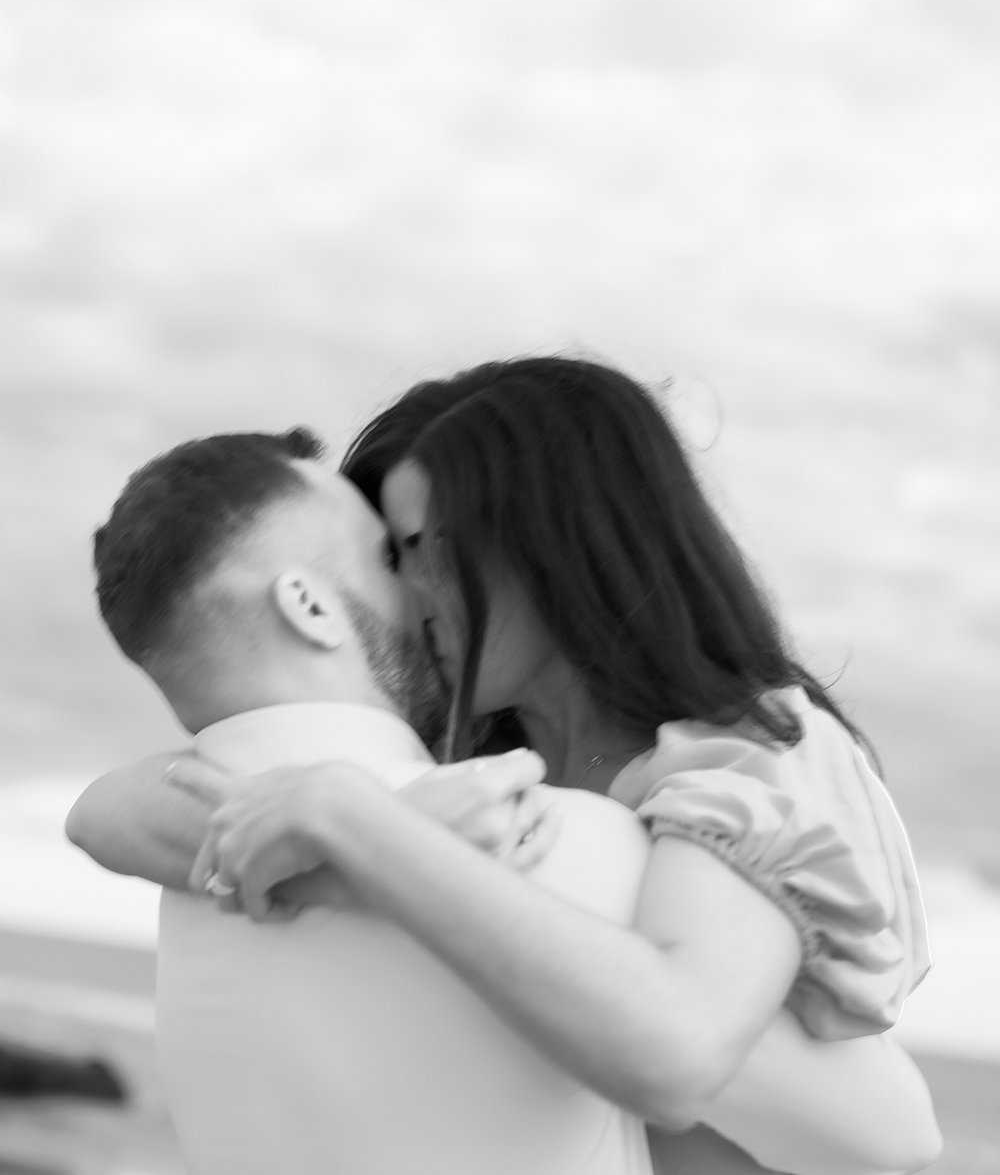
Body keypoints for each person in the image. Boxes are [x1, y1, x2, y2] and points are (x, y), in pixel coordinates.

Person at [68, 385, 942, 1174]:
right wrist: (385, 846)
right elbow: (111, 808)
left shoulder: (745, 752)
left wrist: (372, 837)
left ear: (543, 537)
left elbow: (711, 1057)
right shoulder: (468, 755)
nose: (407, 592)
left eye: (415, 546)